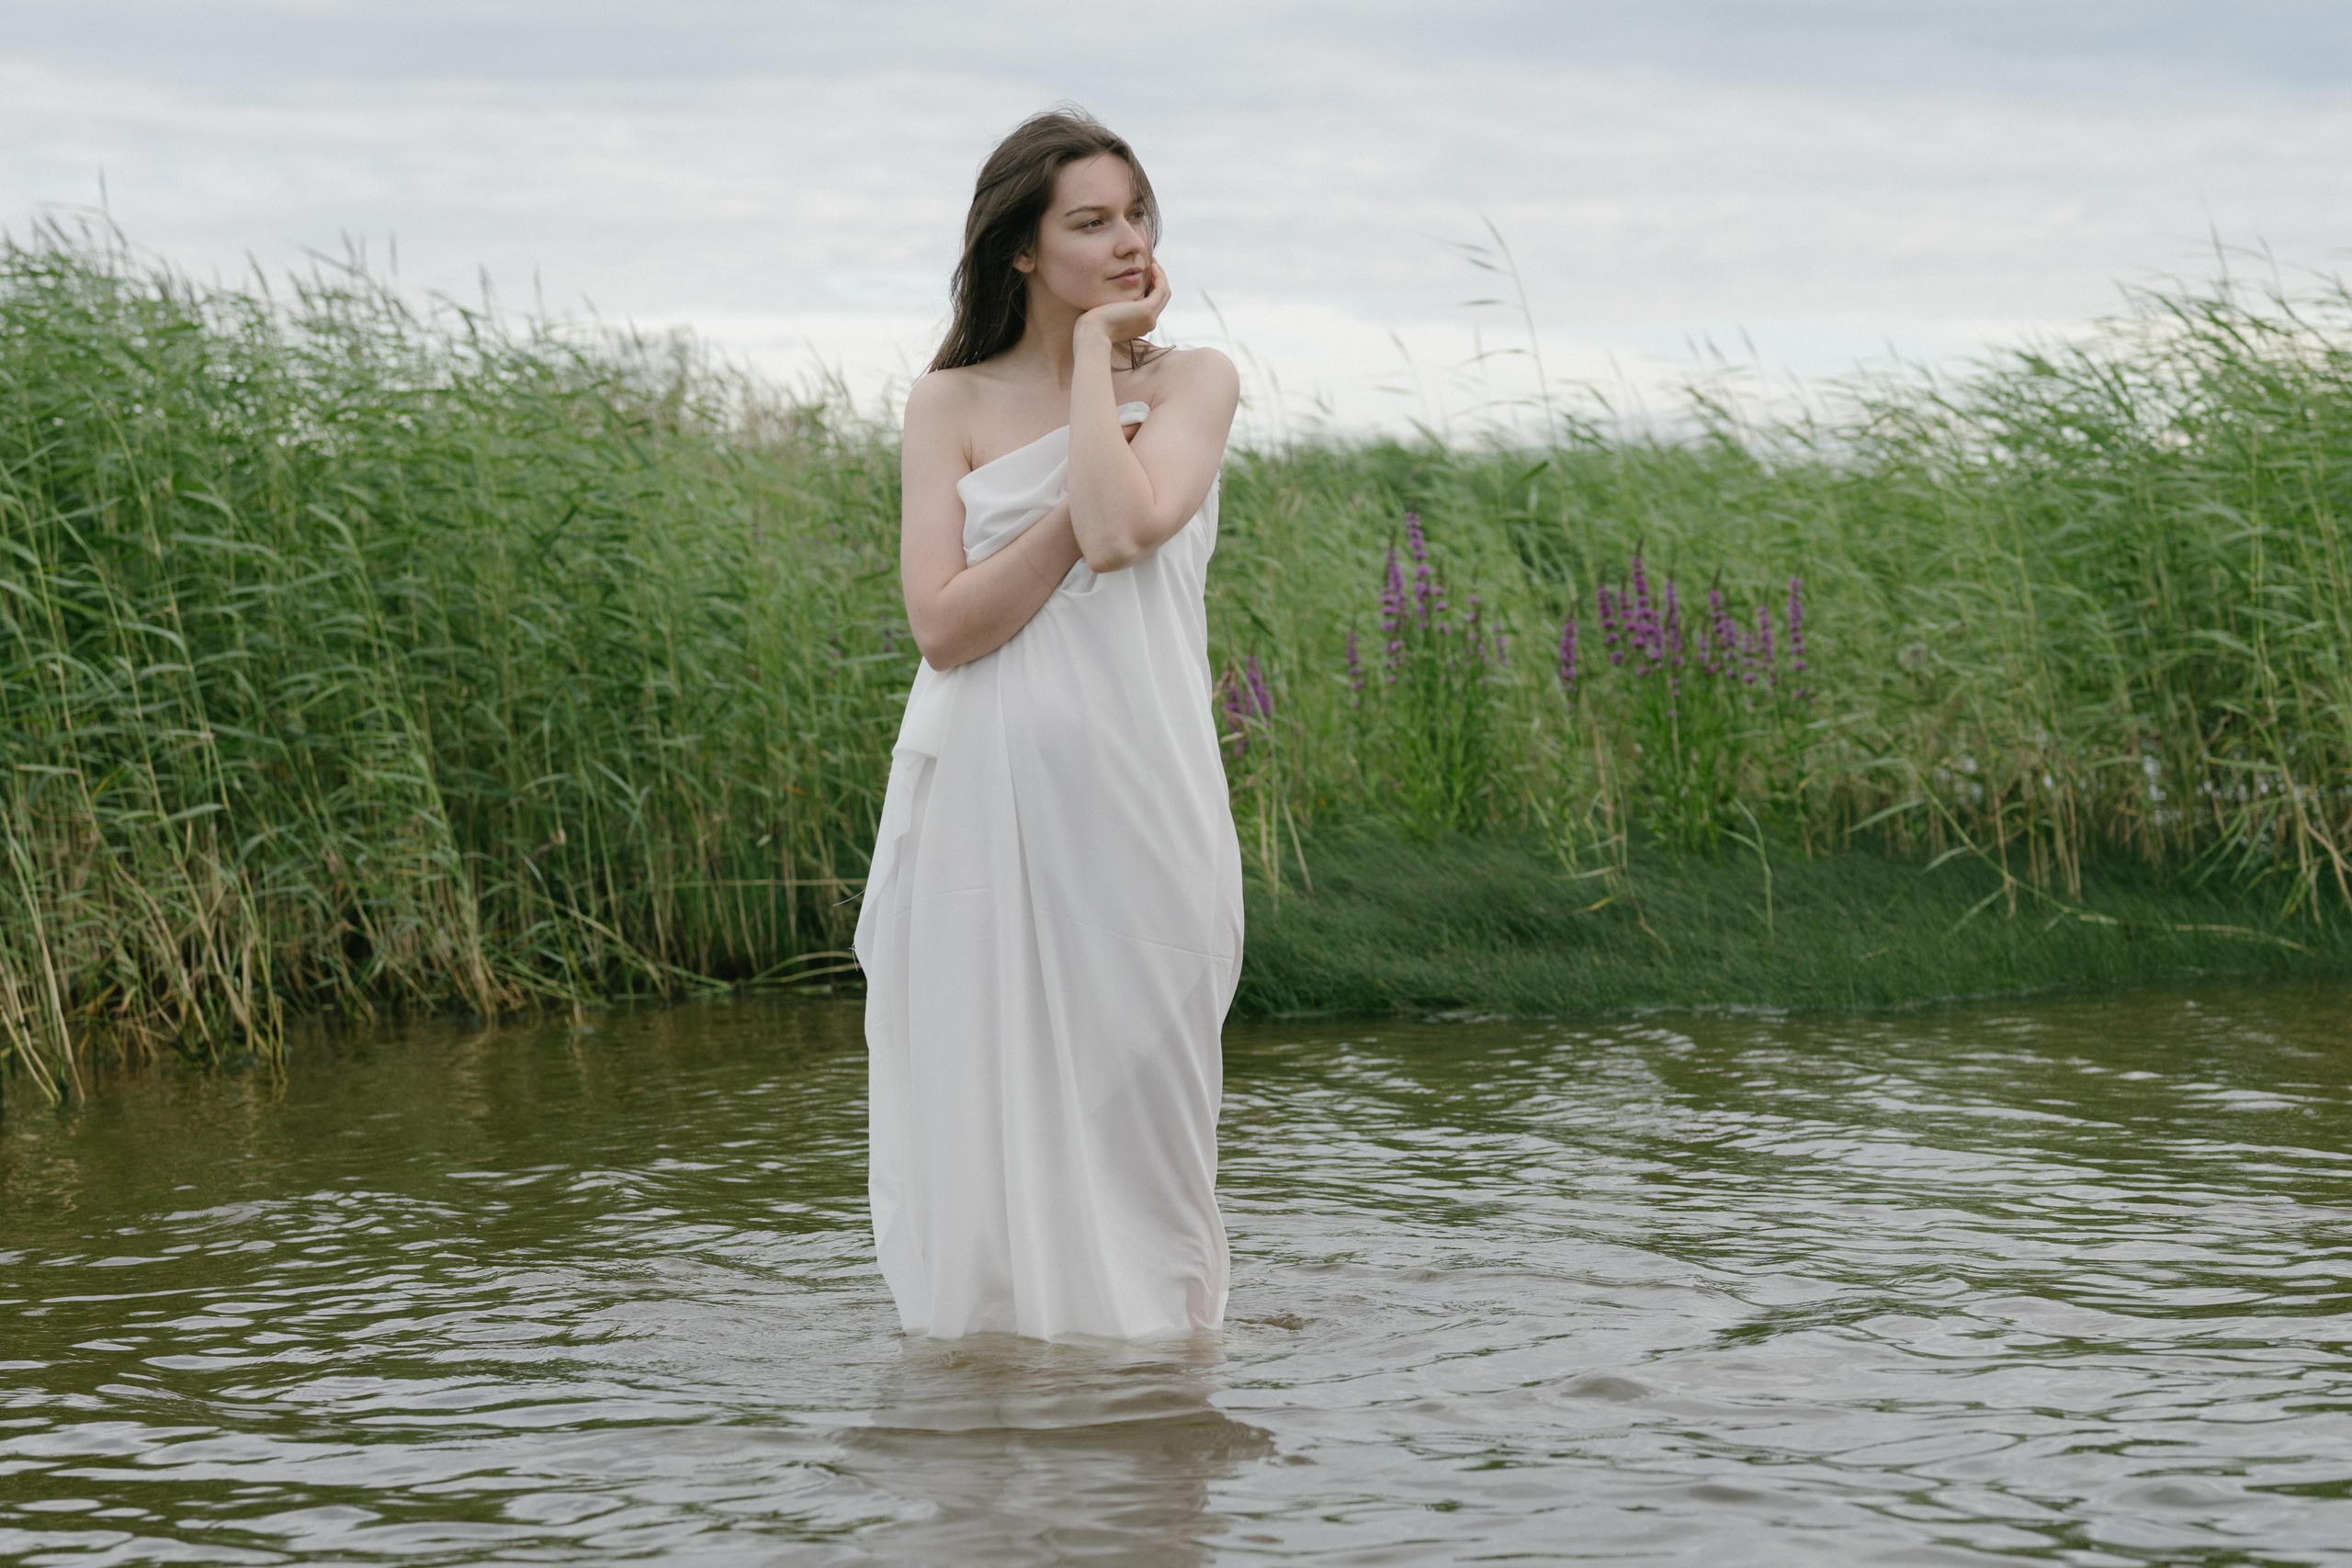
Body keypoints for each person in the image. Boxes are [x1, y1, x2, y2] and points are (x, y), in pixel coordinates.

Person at [851, 107, 1245, 1341]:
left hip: (1148, 797)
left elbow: (1128, 532)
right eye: (1092, 221)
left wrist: (1096, 369)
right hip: (983, 804)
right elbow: (946, 628)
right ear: (1023, 247)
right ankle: (1002, 1433)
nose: (1129, 241)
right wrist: (1085, 408)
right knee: (984, 1104)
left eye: (1137, 215)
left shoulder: (1193, 380)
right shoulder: (947, 402)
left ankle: (1161, 1417)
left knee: (1152, 1119)